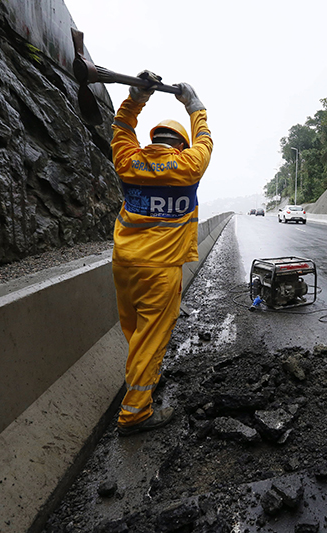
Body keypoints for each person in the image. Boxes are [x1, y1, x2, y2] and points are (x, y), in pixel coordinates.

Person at [110, 72, 213, 436]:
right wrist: (194, 106)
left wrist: (136, 98)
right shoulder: (188, 166)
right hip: (160, 269)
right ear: (180, 146)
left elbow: (121, 128)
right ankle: (135, 413)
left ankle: (145, 375)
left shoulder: (128, 161)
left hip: (124, 263)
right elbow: (205, 141)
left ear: (153, 140)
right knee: (152, 335)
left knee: (136, 331)